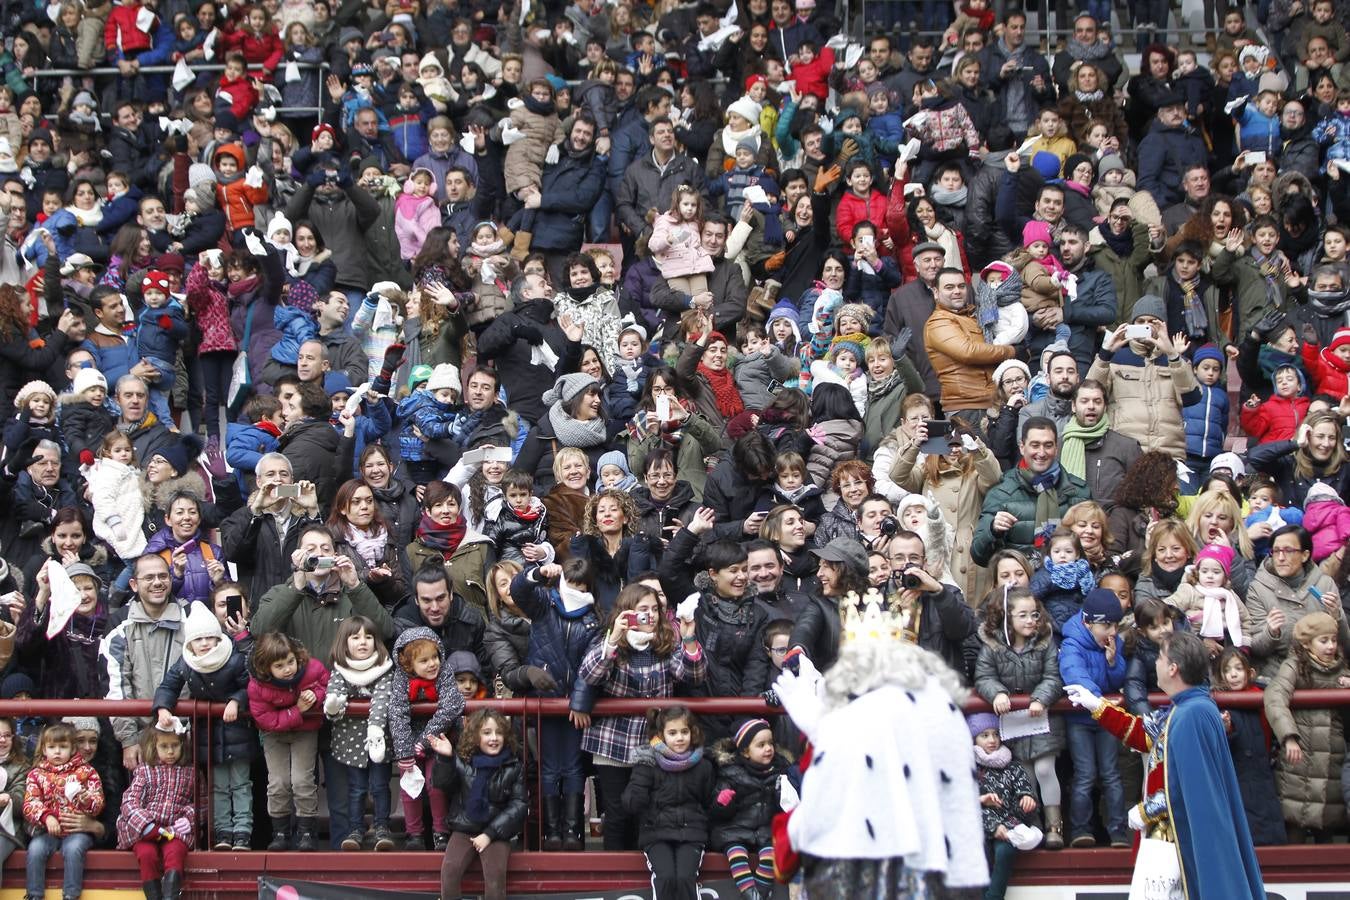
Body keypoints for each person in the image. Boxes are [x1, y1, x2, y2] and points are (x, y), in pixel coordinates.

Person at [1066, 630, 1266, 899]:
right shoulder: (1185, 709)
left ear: (1173, 668)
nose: (1155, 663)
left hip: (1179, 836)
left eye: (1160, 657)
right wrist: (1097, 705)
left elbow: (1188, 787)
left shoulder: (1191, 714)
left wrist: (1147, 810)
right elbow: (1144, 734)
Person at [427, 708, 526, 900]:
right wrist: (445, 758)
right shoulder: (464, 760)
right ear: (476, 736)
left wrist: (489, 834)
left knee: (495, 878)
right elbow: (442, 783)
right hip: (465, 828)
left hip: (495, 833)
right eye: (487, 732)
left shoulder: (513, 766)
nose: (494, 738)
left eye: (499, 732)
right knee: (450, 872)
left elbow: (518, 805)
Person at [622, 706, 716, 900]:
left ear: (693, 732)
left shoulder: (703, 765)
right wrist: (636, 794)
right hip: (656, 833)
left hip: (691, 833)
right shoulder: (648, 763)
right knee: (665, 878)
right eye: (672, 733)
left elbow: (708, 803)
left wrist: (722, 801)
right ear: (661, 735)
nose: (679, 738)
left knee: (684, 878)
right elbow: (631, 803)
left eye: (684, 732)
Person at [116, 720, 196, 900]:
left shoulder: (191, 771)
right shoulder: (145, 770)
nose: (170, 752)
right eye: (164, 746)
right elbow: (129, 801)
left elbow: (203, 802)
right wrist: (146, 825)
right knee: (146, 854)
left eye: (175, 745)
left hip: (173, 830)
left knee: (175, 852)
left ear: (183, 744)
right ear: (154, 746)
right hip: (145, 831)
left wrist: (189, 818)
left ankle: (171, 896)